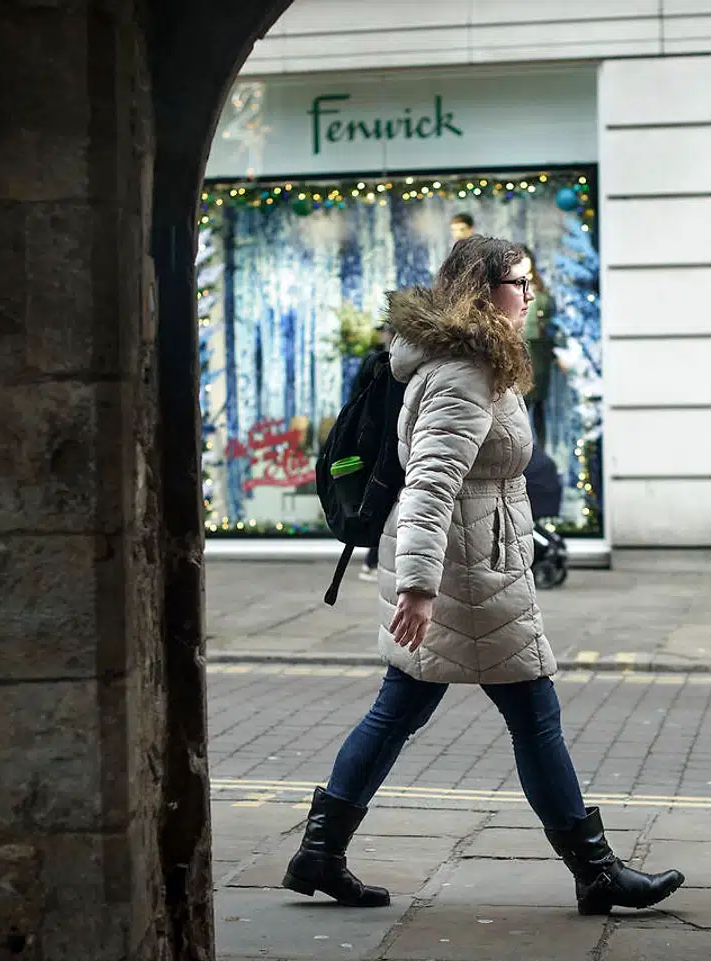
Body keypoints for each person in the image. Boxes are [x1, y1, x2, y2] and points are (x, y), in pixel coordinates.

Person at [281, 236, 684, 916]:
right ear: (482, 288)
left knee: (399, 707)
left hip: (472, 566)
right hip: (467, 577)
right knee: (534, 712)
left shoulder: (473, 361)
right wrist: (416, 585)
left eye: (531, 283)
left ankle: (320, 850)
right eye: (519, 283)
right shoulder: (465, 373)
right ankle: (597, 870)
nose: (530, 295)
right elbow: (430, 485)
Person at [353, 323, 395, 580]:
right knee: (383, 500)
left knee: (384, 501)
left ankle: (373, 559)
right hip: (380, 443)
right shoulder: (378, 363)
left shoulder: (384, 363)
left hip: (382, 442)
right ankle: (372, 559)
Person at [519, 245, 556, 443]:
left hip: (540, 355)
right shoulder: (512, 289)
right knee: (522, 407)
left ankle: (541, 450)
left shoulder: (541, 291)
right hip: (521, 354)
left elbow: (550, 321)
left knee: (539, 406)